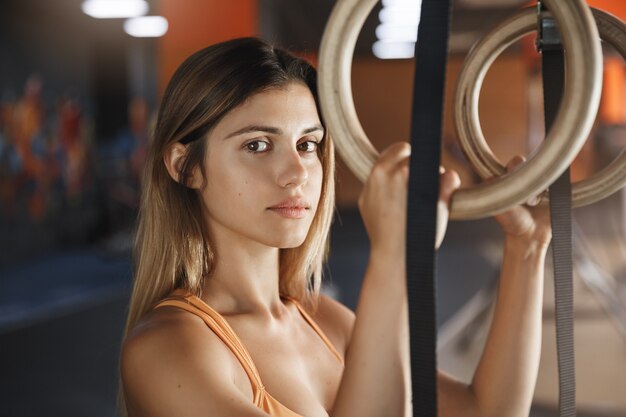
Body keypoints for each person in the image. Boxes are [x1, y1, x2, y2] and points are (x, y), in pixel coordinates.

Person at [120, 37, 551, 417]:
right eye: (257, 145)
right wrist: (393, 259)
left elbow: (484, 411)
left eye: (308, 144)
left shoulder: (321, 320)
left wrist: (526, 248)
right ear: (185, 167)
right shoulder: (166, 350)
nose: (297, 172)